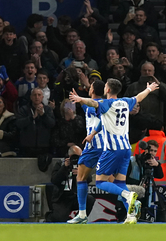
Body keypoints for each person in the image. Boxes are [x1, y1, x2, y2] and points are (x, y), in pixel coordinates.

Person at [69, 78, 159, 224]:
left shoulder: (106, 103)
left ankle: (128, 195)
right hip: (126, 149)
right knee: (120, 182)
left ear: (108, 90)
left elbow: (93, 103)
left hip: (112, 149)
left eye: (105, 86)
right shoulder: (125, 102)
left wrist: (79, 99)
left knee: (100, 182)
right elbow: (138, 97)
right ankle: (130, 216)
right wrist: (149, 89)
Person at [67, 80, 105, 224]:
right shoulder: (94, 104)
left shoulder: (97, 104)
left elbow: (98, 116)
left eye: (91, 86)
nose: (89, 88)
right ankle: (128, 200)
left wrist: (92, 134)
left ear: (93, 89)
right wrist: (81, 102)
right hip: (104, 145)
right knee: (109, 180)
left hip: (94, 145)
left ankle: (82, 214)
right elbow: (89, 111)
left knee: (81, 178)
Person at [46, 145, 95, 222]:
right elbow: (54, 180)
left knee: (89, 199)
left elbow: (89, 179)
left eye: (80, 156)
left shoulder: (82, 165)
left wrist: (81, 173)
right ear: (69, 156)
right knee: (60, 219)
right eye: (76, 156)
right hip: (62, 198)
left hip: (75, 196)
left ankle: (79, 218)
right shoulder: (60, 164)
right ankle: (49, 217)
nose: (78, 158)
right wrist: (64, 168)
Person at [134, 120, 166, 185]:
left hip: (143, 183)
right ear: (162, 128)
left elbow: (134, 162)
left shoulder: (141, 142)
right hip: (162, 184)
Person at [15, 88, 55, 160]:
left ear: (42, 97)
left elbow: (52, 124)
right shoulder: (24, 109)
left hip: (44, 147)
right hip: (27, 147)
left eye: (39, 95)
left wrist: (43, 115)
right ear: (31, 97)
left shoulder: (47, 109)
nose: (37, 97)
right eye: (34, 95)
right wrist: (32, 117)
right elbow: (19, 123)